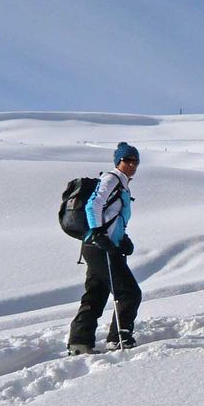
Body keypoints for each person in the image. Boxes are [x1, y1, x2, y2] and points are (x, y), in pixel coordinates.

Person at [67, 142, 142, 355]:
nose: (131, 164)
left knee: (96, 293)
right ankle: (119, 339)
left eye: (135, 161)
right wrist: (99, 233)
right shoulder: (112, 178)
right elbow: (93, 205)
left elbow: (113, 216)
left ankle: (79, 343)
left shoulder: (122, 184)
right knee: (129, 293)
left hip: (101, 245)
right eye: (127, 160)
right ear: (118, 161)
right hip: (100, 246)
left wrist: (123, 238)